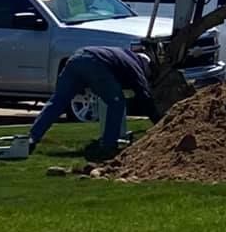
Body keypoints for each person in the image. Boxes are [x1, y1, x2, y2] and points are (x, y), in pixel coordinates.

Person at [29, 46, 161, 155]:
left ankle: (32, 138)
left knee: (58, 101)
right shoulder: (136, 66)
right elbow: (145, 96)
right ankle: (109, 145)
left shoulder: (123, 54)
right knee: (116, 103)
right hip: (95, 64)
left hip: (76, 59)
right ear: (145, 66)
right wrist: (159, 122)